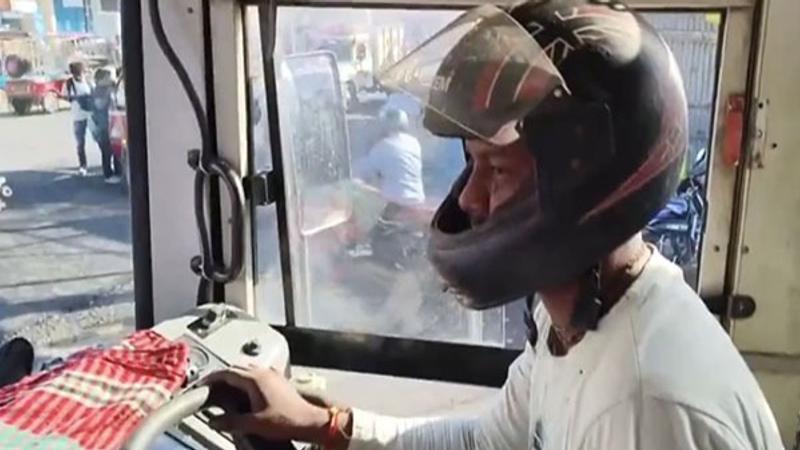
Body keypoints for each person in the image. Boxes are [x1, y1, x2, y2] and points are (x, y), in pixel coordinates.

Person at [206, 2, 785, 449]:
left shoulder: (640, 407)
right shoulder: (575, 317)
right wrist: (322, 424)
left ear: (586, 183)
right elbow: (490, 440)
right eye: (471, 163)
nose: (472, 199)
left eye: (499, 168)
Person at [351, 107, 426, 267]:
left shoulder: (383, 146)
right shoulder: (414, 143)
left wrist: (354, 176)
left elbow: (362, 171)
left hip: (395, 203)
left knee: (373, 228)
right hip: (417, 200)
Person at [90, 68, 122, 184]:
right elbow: (99, 105)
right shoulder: (98, 91)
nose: (110, 79)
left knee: (117, 149)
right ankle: (108, 174)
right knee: (106, 151)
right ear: (100, 79)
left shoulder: (111, 89)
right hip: (103, 125)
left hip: (113, 124)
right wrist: (109, 95)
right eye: (107, 77)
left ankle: (118, 172)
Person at [61, 61, 93, 177]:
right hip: (78, 116)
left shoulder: (88, 81)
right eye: (76, 74)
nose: (79, 76)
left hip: (91, 115)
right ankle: (83, 166)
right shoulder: (69, 83)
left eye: (80, 73)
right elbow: (65, 96)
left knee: (101, 141)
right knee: (80, 143)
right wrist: (73, 98)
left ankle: (107, 165)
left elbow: (94, 93)